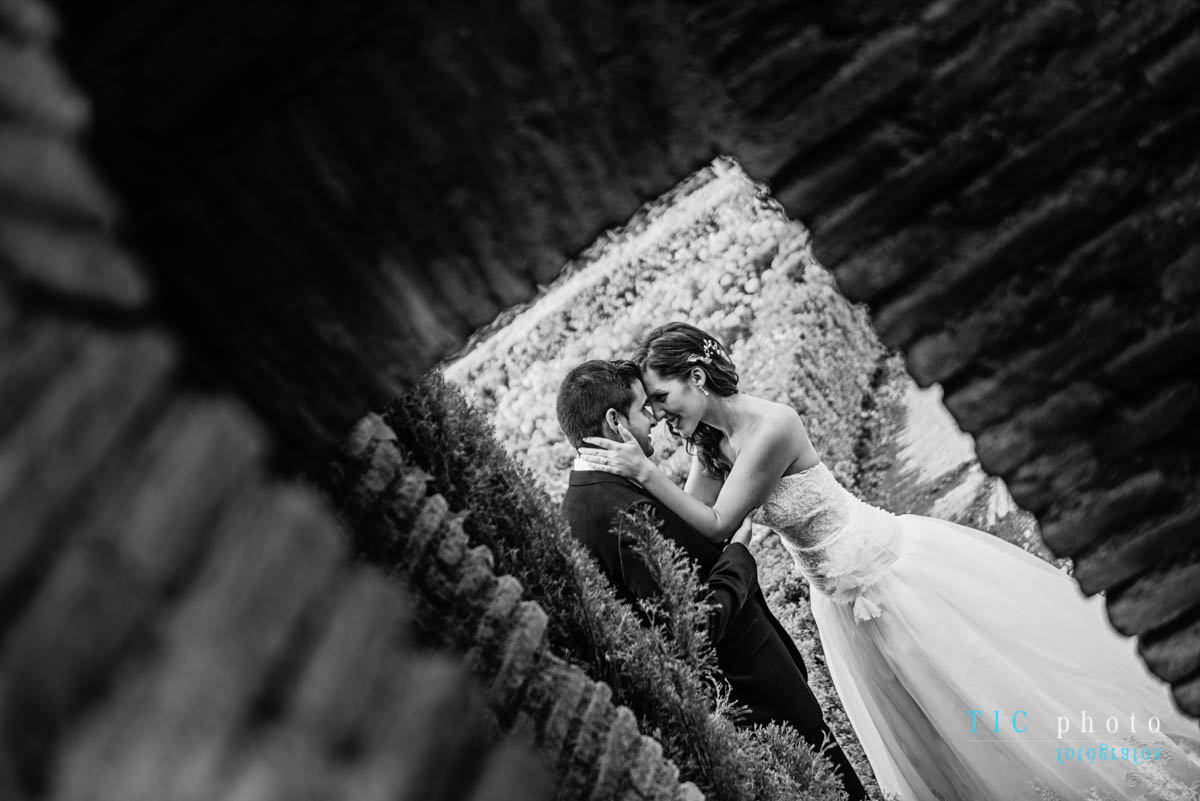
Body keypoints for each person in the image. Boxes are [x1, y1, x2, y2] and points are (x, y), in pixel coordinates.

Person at [576, 321, 1200, 801]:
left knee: (982, 692)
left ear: (696, 376)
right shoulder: (709, 446)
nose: (658, 415)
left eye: (660, 397)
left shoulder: (772, 428)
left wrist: (643, 472)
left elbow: (716, 522)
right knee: (928, 721)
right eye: (650, 407)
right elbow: (701, 533)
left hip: (889, 573)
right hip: (839, 602)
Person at [556, 359, 869, 801]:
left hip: (758, 692)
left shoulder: (594, 493)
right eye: (645, 409)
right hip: (753, 699)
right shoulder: (615, 509)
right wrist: (739, 556)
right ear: (614, 420)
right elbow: (693, 626)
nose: (654, 422)